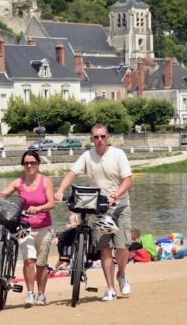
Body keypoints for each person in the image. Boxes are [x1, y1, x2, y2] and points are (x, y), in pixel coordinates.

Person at [55, 124, 133, 302]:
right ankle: (111, 288)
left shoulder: (118, 154)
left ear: (108, 138)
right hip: (99, 209)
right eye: (96, 137)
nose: (99, 140)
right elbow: (71, 174)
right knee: (105, 249)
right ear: (91, 139)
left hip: (120, 205)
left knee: (122, 246)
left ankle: (121, 274)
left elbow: (128, 181)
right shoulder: (87, 156)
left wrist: (115, 196)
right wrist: (60, 190)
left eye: (102, 137)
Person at [0, 150, 56, 306]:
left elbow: (51, 204)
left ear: (38, 164)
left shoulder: (45, 181)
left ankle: (41, 294)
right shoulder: (18, 183)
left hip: (44, 226)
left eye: (33, 162)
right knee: (29, 260)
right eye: (26, 163)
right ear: (23, 164)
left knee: (41, 263)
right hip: (23, 227)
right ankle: (29, 293)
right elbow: (2, 195)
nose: (29, 165)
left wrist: (39, 208)